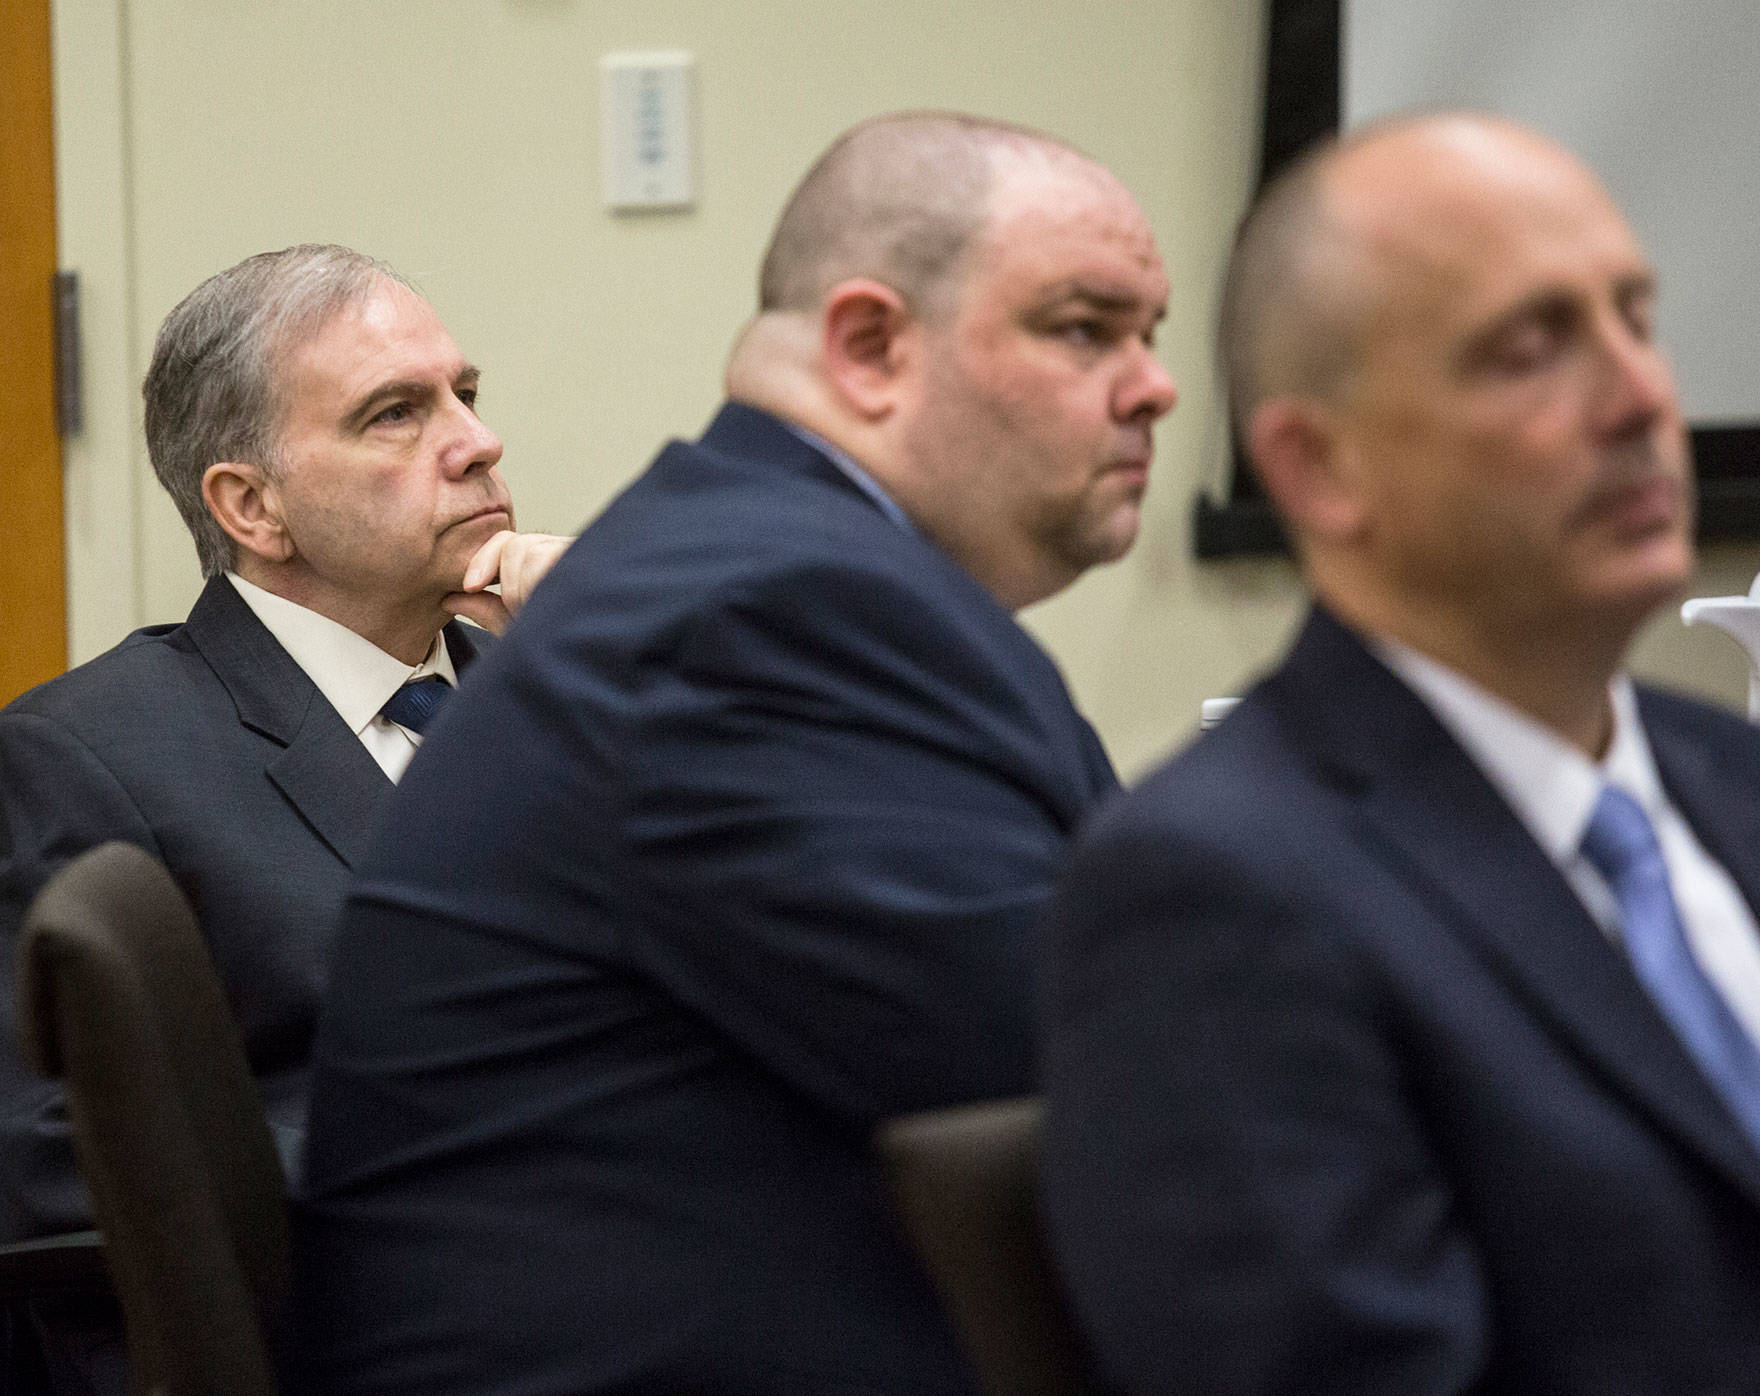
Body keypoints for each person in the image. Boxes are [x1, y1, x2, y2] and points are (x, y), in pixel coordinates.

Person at [287, 112, 1176, 1394]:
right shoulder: (765, 615)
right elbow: (1087, 1077)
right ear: (870, 346)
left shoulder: (772, 566)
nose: (1152, 384)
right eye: (1084, 330)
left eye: (1148, 334)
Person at [1043, 113, 1760, 1394]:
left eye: (1635, 321)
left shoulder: (1730, 776)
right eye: (1529, 349)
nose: (1641, 396)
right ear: (1318, 469)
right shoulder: (1211, 893)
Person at [0, 244, 568, 1392]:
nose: (477, 441)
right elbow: (65, 1156)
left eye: (464, 396)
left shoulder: (559, 707)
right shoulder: (81, 759)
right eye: (394, 414)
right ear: (251, 505)